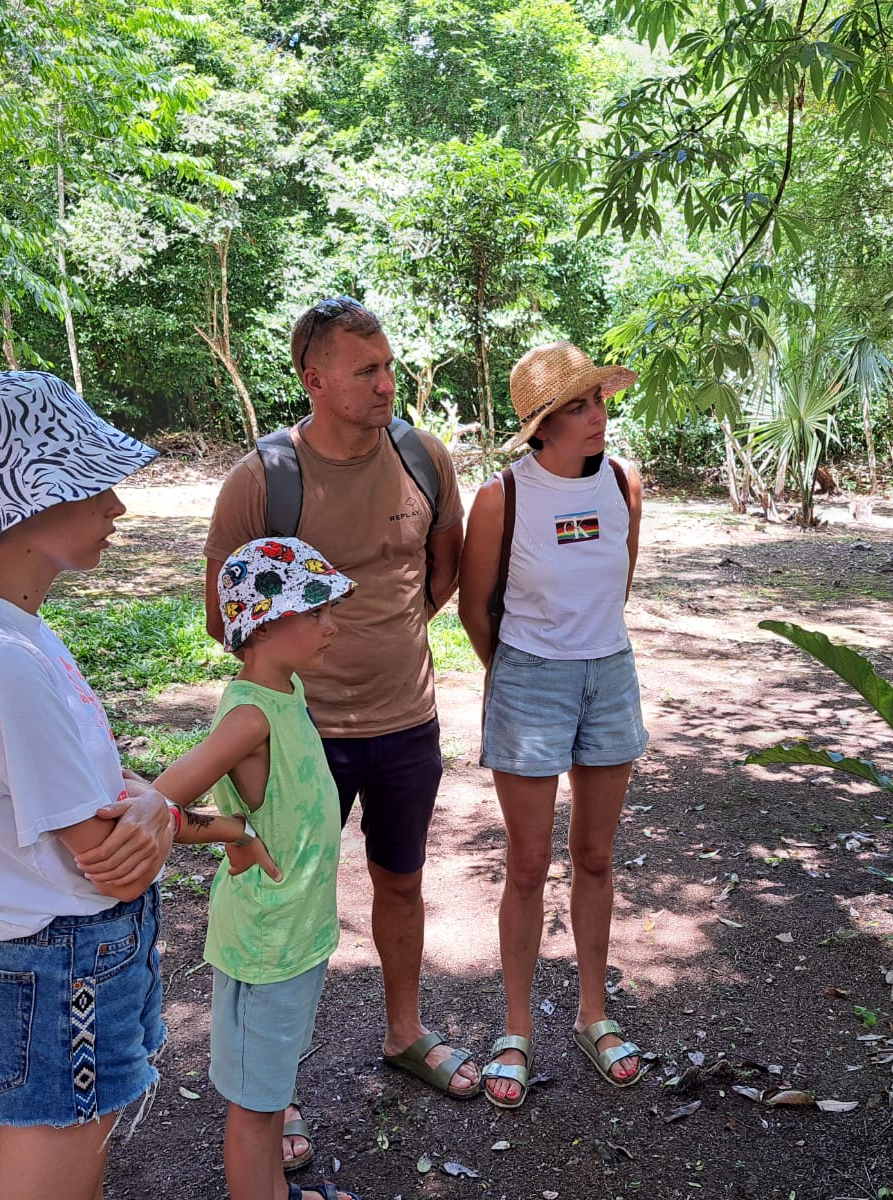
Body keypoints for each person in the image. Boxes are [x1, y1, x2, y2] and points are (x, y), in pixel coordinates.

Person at [0, 371, 282, 1200]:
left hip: (69, 959)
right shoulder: (1, 661)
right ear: (26, 505)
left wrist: (156, 808)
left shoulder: (8, 632)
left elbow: (110, 787)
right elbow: (108, 857)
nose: (117, 508)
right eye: (95, 486)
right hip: (62, 964)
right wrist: (148, 821)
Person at [203, 297, 479, 1136]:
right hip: (298, 735)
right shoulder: (262, 480)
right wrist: (313, 667)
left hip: (406, 721)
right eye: (368, 371)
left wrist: (382, 645)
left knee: (401, 879)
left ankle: (405, 1034)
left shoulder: (424, 457)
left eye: (390, 365)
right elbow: (225, 616)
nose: (387, 382)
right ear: (313, 379)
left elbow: (443, 569)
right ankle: (270, 1095)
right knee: (282, 901)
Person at [456, 340, 649, 1109]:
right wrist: (520, 671)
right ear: (541, 426)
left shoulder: (626, 484)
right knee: (529, 862)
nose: (597, 416)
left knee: (596, 855)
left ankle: (593, 1014)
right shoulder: (504, 497)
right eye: (578, 407)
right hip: (529, 678)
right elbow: (476, 609)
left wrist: (588, 648)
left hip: (610, 672)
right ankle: (515, 1027)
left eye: (599, 400)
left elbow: (618, 583)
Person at [154, 536, 360, 1200]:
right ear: (267, 624)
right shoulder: (248, 716)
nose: (333, 625)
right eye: (317, 612)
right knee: (253, 1107)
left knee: (271, 1096)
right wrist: (229, 833)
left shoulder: (285, 687)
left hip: (294, 935)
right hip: (265, 942)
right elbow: (154, 805)